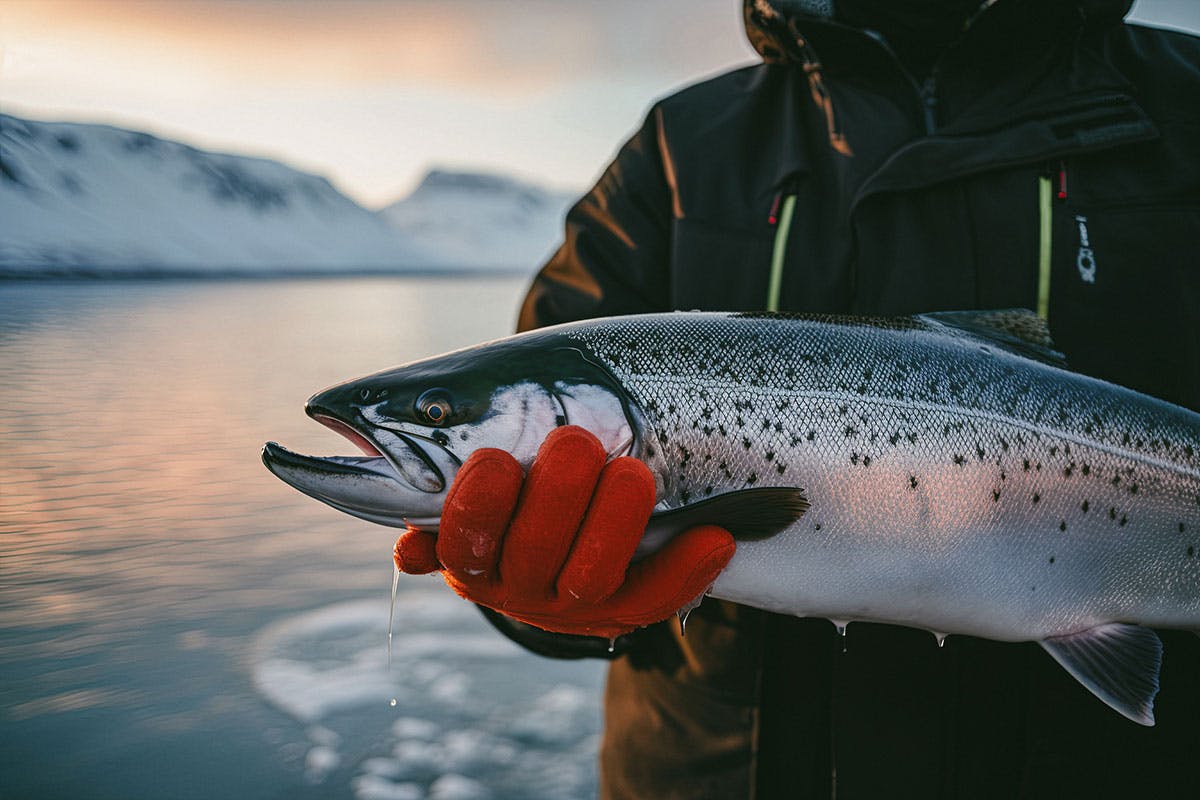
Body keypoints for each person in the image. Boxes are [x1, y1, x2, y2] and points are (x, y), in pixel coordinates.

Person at [395, 1, 1200, 796]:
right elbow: (517, 480)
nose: (429, 426)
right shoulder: (680, 149)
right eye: (433, 415)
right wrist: (532, 590)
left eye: (432, 414)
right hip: (712, 770)